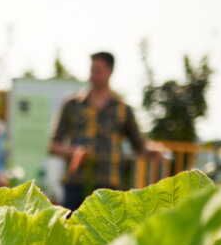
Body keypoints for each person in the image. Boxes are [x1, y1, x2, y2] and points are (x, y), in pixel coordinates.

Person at [48, 51, 160, 210]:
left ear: (110, 72)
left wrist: (156, 151)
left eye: (98, 71)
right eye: (92, 70)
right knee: (72, 230)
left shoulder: (123, 109)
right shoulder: (71, 105)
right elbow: (52, 146)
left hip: (109, 185)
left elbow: (139, 146)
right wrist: (72, 152)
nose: (93, 75)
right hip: (76, 183)